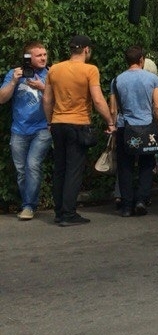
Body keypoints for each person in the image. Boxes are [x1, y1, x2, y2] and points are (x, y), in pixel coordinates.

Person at [43, 35, 116, 227]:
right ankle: (69, 214)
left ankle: (59, 212)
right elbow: (98, 100)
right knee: (74, 171)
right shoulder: (90, 70)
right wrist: (110, 122)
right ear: (86, 49)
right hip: (78, 124)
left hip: (57, 123)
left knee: (60, 169)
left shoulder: (54, 69)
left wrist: (49, 122)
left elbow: (47, 99)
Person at [0, 41, 53, 220]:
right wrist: (14, 81)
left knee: (33, 165)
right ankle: (27, 204)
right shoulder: (14, 73)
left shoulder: (51, 74)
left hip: (43, 128)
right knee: (22, 170)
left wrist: (43, 87)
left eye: (44, 54)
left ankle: (29, 206)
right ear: (28, 58)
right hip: (19, 129)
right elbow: (2, 99)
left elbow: (62, 98)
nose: (43, 58)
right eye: (39, 55)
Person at [110, 45, 158, 217]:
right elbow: (157, 107)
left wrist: (112, 126)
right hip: (147, 127)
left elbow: (113, 109)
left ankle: (126, 206)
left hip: (125, 127)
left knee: (125, 167)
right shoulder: (152, 79)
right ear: (142, 60)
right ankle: (141, 199)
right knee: (146, 164)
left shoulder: (116, 80)